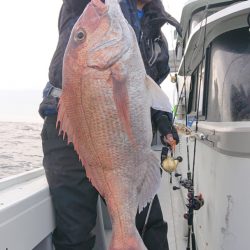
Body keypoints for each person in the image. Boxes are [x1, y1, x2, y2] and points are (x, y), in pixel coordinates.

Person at [39, 0, 180, 249]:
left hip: (123, 141)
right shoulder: (90, 6)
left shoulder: (156, 33)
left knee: (151, 227)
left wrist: (164, 122)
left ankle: (126, 236)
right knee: (75, 233)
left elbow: (149, 91)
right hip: (69, 134)